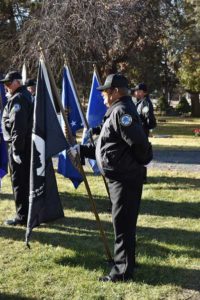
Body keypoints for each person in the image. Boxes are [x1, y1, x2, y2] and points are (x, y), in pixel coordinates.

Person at [69, 74, 151, 282]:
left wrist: (131, 165)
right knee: (122, 222)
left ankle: (122, 272)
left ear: (115, 91)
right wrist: (82, 149)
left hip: (125, 178)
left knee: (123, 224)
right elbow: (109, 145)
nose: (103, 96)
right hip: (120, 176)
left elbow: (141, 146)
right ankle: (125, 261)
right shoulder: (116, 110)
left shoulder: (122, 111)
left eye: (105, 91)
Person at [0, 71, 33, 225]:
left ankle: (22, 216)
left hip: (19, 147)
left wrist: (17, 150)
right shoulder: (23, 95)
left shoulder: (18, 98)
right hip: (23, 146)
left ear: (17, 82)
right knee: (24, 181)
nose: (6, 86)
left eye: (8, 83)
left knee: (19, 182)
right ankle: (27, 213)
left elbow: (18, 127)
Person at [132, 83, 156, 183]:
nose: (136, 92)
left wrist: (143, 128)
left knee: (140, 153)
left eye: (138, 90)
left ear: (144, 92)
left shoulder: (145, 103)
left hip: (142, 132)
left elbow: (149, 120)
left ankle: (142, 178)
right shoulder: (140, 102)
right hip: (140, 131)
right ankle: (139, 176)